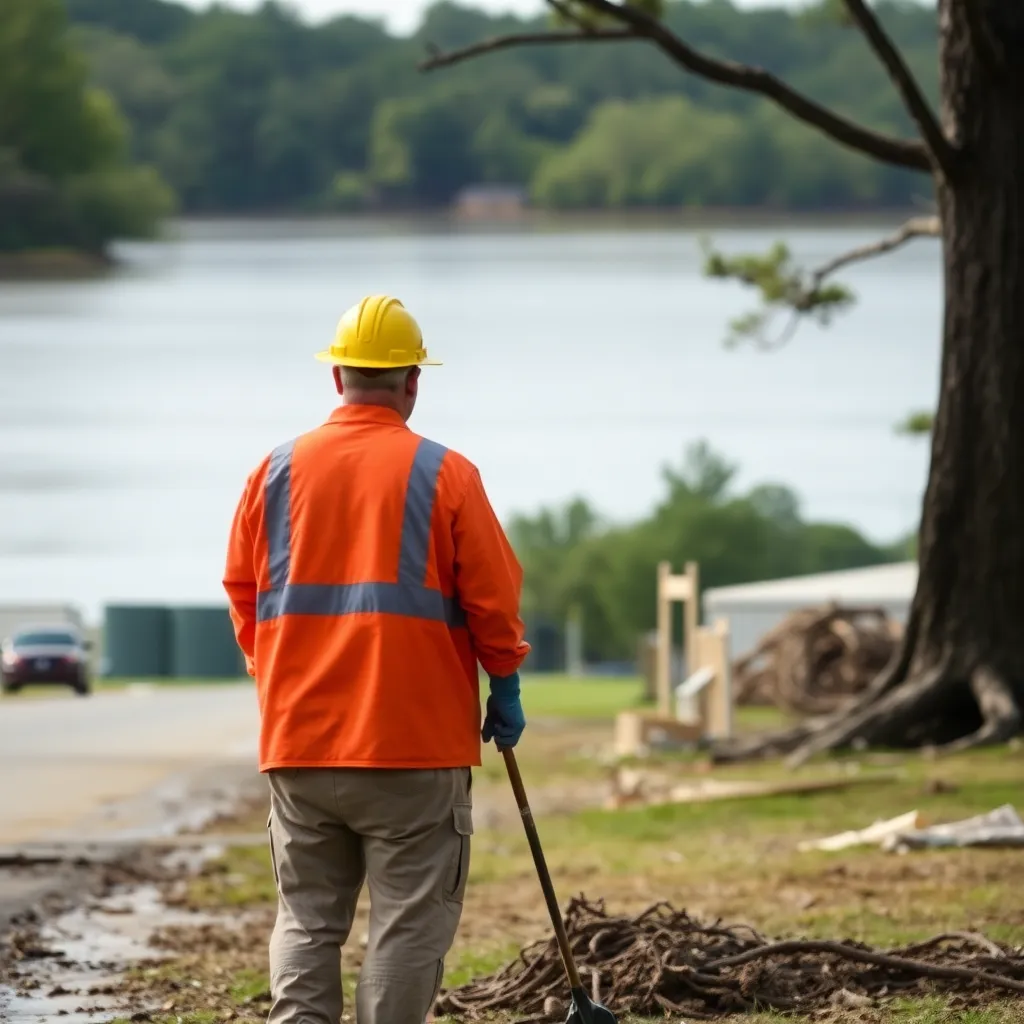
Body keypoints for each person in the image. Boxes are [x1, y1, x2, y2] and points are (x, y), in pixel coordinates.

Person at [223, 294, 531, 1024]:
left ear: (337, 379)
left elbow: (243, 592)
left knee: (305, 921)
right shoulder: (447, 474)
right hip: (412, 749)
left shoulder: (272, 472)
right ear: (413, 382)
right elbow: (493, 600)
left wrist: (277, 676)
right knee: (408, 923)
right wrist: (505, 682)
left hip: (298, 744)